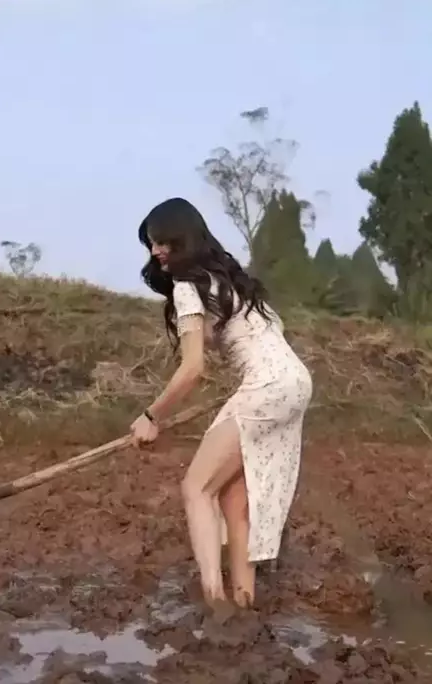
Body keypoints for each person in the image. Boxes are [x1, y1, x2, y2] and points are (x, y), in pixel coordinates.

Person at [130, 197, 312, 610]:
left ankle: (215, 604)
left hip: (267, 386)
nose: (156, 250)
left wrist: (151, 416)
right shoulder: (227, 280)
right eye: (151, 243)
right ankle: (244, 603)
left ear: (184, 237)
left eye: (162, 241)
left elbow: (193, 368)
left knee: (196, 488)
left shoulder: (187, 286)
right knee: (233, 498)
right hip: (295, 383)